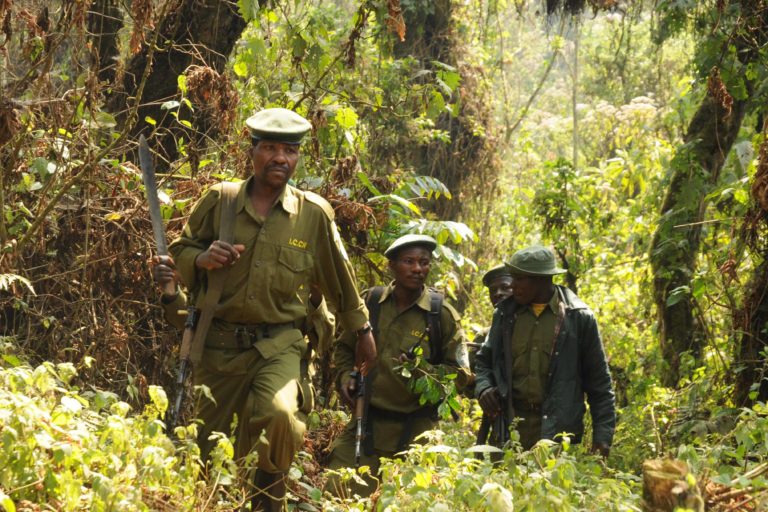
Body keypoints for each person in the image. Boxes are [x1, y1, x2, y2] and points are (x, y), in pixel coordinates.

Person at [153, 108, 376, 511]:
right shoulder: (221, 201)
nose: (280, 158)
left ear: (298, 158)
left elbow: (341, 280)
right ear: (252, 151)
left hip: (280, 345)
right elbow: (183, 250)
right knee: (206, 455)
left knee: (281, 416)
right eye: (270, 148)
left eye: (289, 150)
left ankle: (266, 500)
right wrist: (203, 259)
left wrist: (362, 332)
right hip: (218, 346)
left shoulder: (313, 215)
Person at [325, 234, 471, 497]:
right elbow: (344, 347)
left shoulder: (441, 316)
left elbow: (460, 375)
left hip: (415, 430)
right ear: (391, 265)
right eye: (409, 261)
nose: (418, 269)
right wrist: (346, 376)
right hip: (367, 423)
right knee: (336, 490)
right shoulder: (370, 303)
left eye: (424, 263)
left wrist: (423, 373)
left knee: (414, 499)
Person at [474, 245, 615, 455]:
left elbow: (600, 385)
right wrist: (484, 388)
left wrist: (602, 438)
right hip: (510, 427)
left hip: (558, 433)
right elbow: (484, 361)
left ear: (541, 280)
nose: (512, 285)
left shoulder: (578, 317)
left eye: (519, 279)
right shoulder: (505, 314)